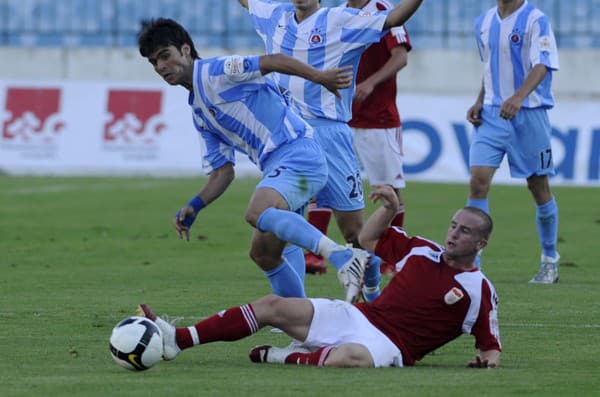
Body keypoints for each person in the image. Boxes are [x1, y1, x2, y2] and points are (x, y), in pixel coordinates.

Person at [137, 185, 501, 369]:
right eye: (453, 226)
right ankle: (178, 340)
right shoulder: (422, 249)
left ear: (482, 243)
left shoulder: (479, 290)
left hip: (392, 348)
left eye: (465, 231)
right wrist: (389, 208)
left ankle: (285, 357)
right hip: (360, 315)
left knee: (350, 358)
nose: (454, 234)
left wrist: (486, 364)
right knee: (273, 306)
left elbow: (490, 346)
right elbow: (368, 239)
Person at [137, 18, 371, 303]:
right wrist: (195, 205)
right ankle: (304, 326)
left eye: (165, 56)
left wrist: (320, 78)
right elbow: (223, 171)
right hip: (279, 167)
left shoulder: (217, 71)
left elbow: (272, 60)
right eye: (154, 62)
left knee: (257, 212)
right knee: (264, 253)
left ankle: (343, 257)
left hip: (298, 152)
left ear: (185, 49)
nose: (161, 67)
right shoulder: (199, 111)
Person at [236, 0, 424, 288]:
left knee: (354, 234)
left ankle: (372, 294)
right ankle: (297, 312)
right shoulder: (274, 15)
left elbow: (392, 18)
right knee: (283, 231)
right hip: (292, 140)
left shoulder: (341, 21)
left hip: (331, 137)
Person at [466, 0, 560, 283]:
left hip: (529, 113)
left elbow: (543, 64)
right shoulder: (482, 23)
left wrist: (518, 97)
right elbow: (490, 68)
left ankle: (549, 259)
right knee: (478, 182)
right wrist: (480, 100)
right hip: (492, 115)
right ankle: (473, 262)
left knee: (538, 185)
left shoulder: (536, 19)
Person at [347, 0, 412, 284]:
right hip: (343, 118)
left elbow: (400, 57)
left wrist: (371, 82)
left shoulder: (385, 11)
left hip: (379, 119)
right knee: (326, 185)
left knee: (390, 189)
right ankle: (317, 255)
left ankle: (392, 257)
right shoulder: (340, 13)